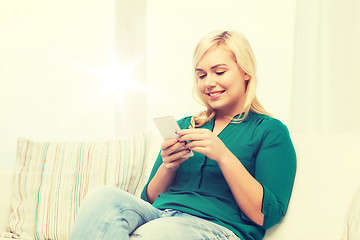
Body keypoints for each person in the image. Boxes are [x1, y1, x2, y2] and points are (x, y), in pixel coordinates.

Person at [69, 30, 296, 240]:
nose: (209, 83)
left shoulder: (270, 131)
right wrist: (169, 165)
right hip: (160, 215)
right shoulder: (186, 125)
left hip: (216, 227)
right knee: (101, 197)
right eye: (201, 75)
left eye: (219, 72)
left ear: (245, 72)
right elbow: (149, 199)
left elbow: (266, 215)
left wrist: (224, 156)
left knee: (152, 233)